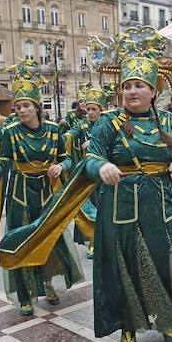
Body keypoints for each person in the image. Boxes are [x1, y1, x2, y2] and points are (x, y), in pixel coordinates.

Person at [0, 32, 172, 342]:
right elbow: (92, 155)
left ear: (153, 91)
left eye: (139, 85)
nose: (132, 91)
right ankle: (128, 327)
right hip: (120, 207)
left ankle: (167, 319)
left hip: (161, 206)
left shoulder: (166, 118)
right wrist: (101, 167)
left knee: (165, 263)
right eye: (127, 86)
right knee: (125, 268)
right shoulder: (108, 122)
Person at [0, 60, 83, 315]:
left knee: (49, 240)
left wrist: (61, 166)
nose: (21, 111)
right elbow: (4, 168)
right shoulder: (10, 132)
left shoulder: (55, 131)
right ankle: (24, 295)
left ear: (36, 107)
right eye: (18, 107)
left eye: (25, 106)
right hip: (20, 195)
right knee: (21, 240)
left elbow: (65, 157)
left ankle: (48, 283)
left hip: (46, 193)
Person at [64, 84, 110, 259]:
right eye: (88, 109)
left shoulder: (109, 124)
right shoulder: (82, 125)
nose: (90, 112)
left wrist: (96, 144)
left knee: (107, 208)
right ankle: (93, 242)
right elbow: (69, 135)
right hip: (89, 174)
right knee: (91, 208)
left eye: (94, 109)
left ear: (101, 109)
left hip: (107, 173)